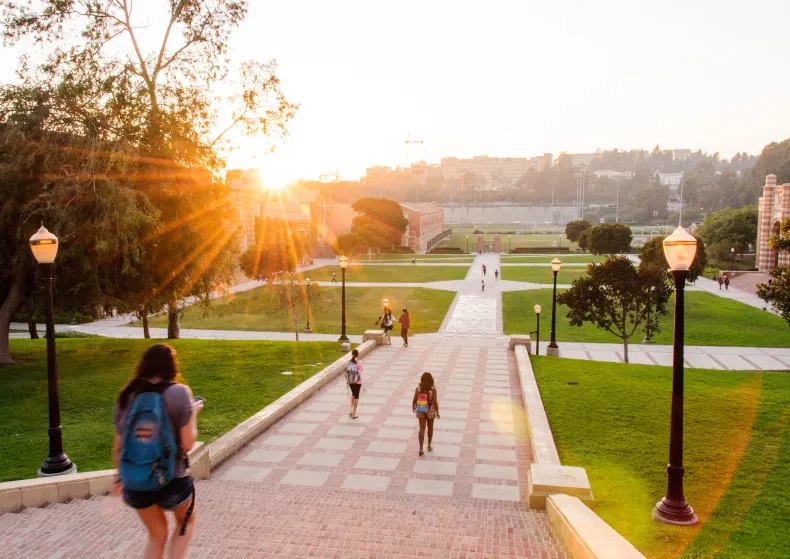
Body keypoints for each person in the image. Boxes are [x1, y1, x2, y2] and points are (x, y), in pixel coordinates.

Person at [113, 344, 202, 559]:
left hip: (136, 482)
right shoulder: (179, 392)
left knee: (157, 535)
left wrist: (120, 478)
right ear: (172, 366)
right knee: (185, 522)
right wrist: (193, 412)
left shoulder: (127, 395)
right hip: (171, 478)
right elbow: (188, 443)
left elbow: (118, 447)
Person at [412, 372, 440, 456]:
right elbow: (435, 402)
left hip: (421, 410)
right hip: (430, 410)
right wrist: (438, 412)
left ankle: (420, 448)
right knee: (430, 427)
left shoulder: (418, 389)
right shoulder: (433, 389)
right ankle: (428, 445)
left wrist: (413, 407)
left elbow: (414, 400)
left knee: (422, 429)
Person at [346, 349, 363, 419]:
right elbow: (361, 370)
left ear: (352, 354)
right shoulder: (359, 362)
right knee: (356, 396)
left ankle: (350, 410)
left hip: (350, 381)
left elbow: (347, 369)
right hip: (357, 381)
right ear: (357, 354)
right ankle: (354, 414)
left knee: (353, 394)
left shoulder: (348, 362)